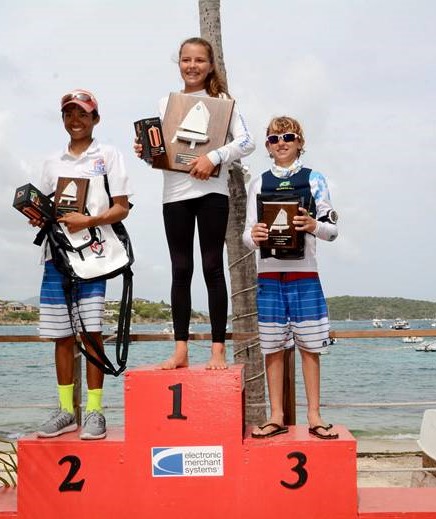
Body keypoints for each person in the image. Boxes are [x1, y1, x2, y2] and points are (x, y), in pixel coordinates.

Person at [135, 37, 255, 370]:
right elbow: (164, 153)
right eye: (186, 60)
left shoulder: (223, 101)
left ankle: (218, 349)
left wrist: (213, 156)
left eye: (199, 60)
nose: (192, 66)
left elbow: (247, 141)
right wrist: (147, 153)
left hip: (212, 194)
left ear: (211, 64)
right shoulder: (165, 103)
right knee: (180, 270)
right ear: (179, 63)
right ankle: (181, 350)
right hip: (174, 196)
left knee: (212, 267)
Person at [32, 89, 132, 439]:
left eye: (82, 114)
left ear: (95, 119)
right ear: (63, 119)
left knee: (91, 334)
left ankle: (94, 411)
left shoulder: (109, 155)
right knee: (61, 337)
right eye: (68, 114)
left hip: (93, 256)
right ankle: (65, 412)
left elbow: (122, 208)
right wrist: (37, 216)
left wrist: (87, 221)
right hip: (56, 256)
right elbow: (47, 208)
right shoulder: (51, 161)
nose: (75, 121)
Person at [242, 116, 339, 439]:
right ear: (268, 147)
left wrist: (314, 226)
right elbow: (246, 234)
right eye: (273, 138)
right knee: (272, 348)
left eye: (288, 137)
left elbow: (332, 230)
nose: (280, 143)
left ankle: (314, 415)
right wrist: (253, 235)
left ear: (299, 142)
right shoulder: (258, 182)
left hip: (305, 274)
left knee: (310, 348)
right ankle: (276, 415)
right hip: (269, 277)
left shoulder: (315, 179)